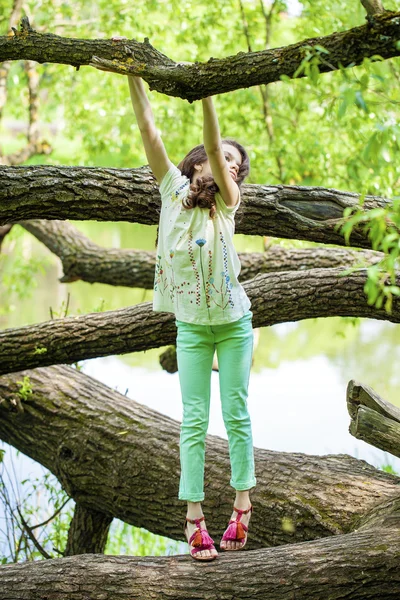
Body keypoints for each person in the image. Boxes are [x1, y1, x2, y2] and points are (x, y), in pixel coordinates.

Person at [125, 70, 256, 561]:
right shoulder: (171, 191)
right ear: (195, 162)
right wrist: (133, 70)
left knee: (236, 412)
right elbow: (148, 129)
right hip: (192, 328)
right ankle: (194, 516)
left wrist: (206, 92)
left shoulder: (226, 203)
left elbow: (212, 138)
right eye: (218, 156)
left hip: (235, 324)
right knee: (194, 420)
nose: (225, 163)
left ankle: (242, 504)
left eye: (233, 163)